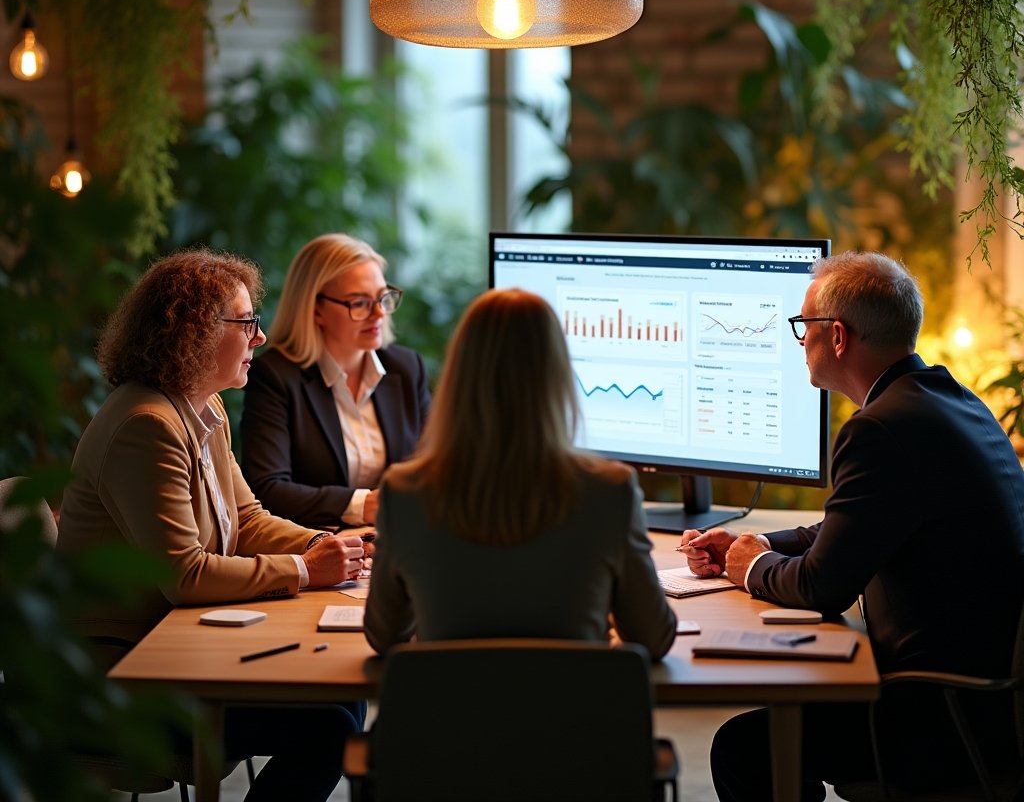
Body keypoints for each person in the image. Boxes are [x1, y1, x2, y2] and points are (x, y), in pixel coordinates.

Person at [678, 251, 1024, 801]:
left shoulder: (880, 430)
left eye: (803, 328)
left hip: (941, 721)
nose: (800, 342)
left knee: (744, 748)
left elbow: (823, 586)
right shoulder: (947, 401)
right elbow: (854, 525)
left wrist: (750, 569)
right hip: (990, 707)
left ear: (837, 336)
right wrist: (761, 544)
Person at [57, 248, 369, 802]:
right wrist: (305, 568)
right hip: (127, 682)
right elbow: (186, 575)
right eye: (247, 322)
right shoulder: (145, 426)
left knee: (344, 702)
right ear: (194, 332)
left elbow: (246, 519)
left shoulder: (203, 408)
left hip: (181, 651)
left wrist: (327, 545)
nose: (260, 337)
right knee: (331, 724)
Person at [363, 287, 677, 659]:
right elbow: (654, 638)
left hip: (449, 716)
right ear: (558, 375)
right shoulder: (610, 490)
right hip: (579, 716)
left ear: (459, 375)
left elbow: (384, 636)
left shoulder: (405, 492)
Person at [240, 233, 430, 529]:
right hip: (319, 549)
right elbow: (268, 489)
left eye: (382, 297)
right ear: (316, 309)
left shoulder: (406, 368)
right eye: (360, 303)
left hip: (401, 541)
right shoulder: (275, 377)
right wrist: (364, 505)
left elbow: (433, 463)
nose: (379, 313)